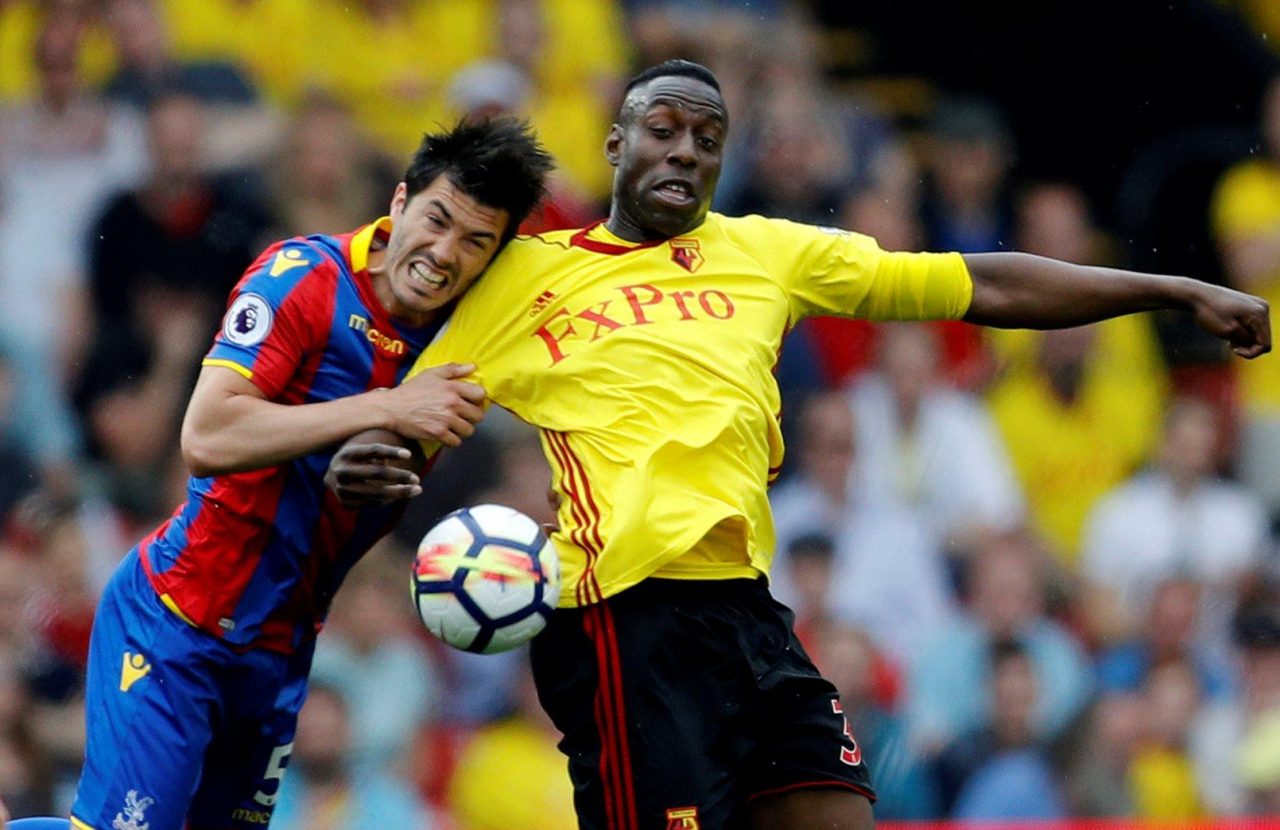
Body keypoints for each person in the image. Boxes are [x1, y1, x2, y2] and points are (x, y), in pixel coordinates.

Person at [327, 60, 1270, 830]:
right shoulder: (527, 274)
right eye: (664, 129)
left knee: (833, 809)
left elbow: (982, 285)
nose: (685, 150)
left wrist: (1171, 289)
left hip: (747, 608)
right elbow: (401, 393)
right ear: (614, 144)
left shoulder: (769, 251)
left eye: (708, 138)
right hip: (622, 616)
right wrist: (368, 451)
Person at [68, 118, 553, 830]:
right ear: (399, 202)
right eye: (437, 220)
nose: (444, 252)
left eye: (476, 242)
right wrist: (385, 406)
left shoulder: (468, 335)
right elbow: (206, 434)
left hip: (282, 651)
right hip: (177, 624)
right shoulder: (304, 277)